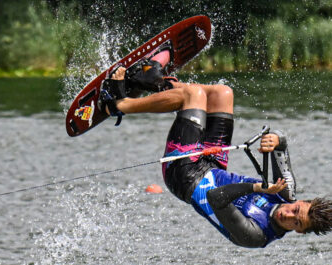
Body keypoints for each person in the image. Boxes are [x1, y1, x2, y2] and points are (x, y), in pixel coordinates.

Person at [99, 52, 332, 248]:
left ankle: (119, 105)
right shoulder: (286, 193)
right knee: (223, 93)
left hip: (186, 176)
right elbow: (282, 146)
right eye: (296, 209)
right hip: (213, 164)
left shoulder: (256, 235)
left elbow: (215, 197)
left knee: (194, 95)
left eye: (296, 223)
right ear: (302, 201)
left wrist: (257, 187)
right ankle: (151, 82)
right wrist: (275, 140)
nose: (288, 214)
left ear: (299, 232)